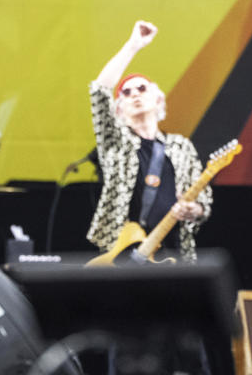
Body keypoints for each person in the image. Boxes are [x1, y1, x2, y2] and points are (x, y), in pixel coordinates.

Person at [87, 20, 212, 262]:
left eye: (142, 88)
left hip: (174, 252)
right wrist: (132, 46)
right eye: (126, 92)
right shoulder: (117, 142)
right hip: (122, 253)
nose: (134, 94)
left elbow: (203, 201)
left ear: (158, 99)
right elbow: (99, 91)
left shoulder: (181, 147)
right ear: (119, 109)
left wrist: (194, 210)